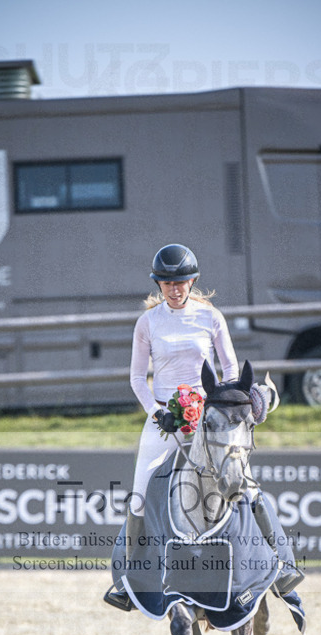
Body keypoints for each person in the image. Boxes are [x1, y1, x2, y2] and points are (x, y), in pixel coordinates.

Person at [104, 243, 240, 611]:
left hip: (206, 418)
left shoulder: (211, 317)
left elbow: (231, 370)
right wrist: (155, 412)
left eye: (180, 282)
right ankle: (129, 578)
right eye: (166, 282)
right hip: (164, 419)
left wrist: (217, 405)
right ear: (158, 284)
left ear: (192, 280)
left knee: (238, 479)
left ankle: (276, 561)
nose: (174, 288)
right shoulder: (147, 322)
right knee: (139, 491)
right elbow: (136, 378)